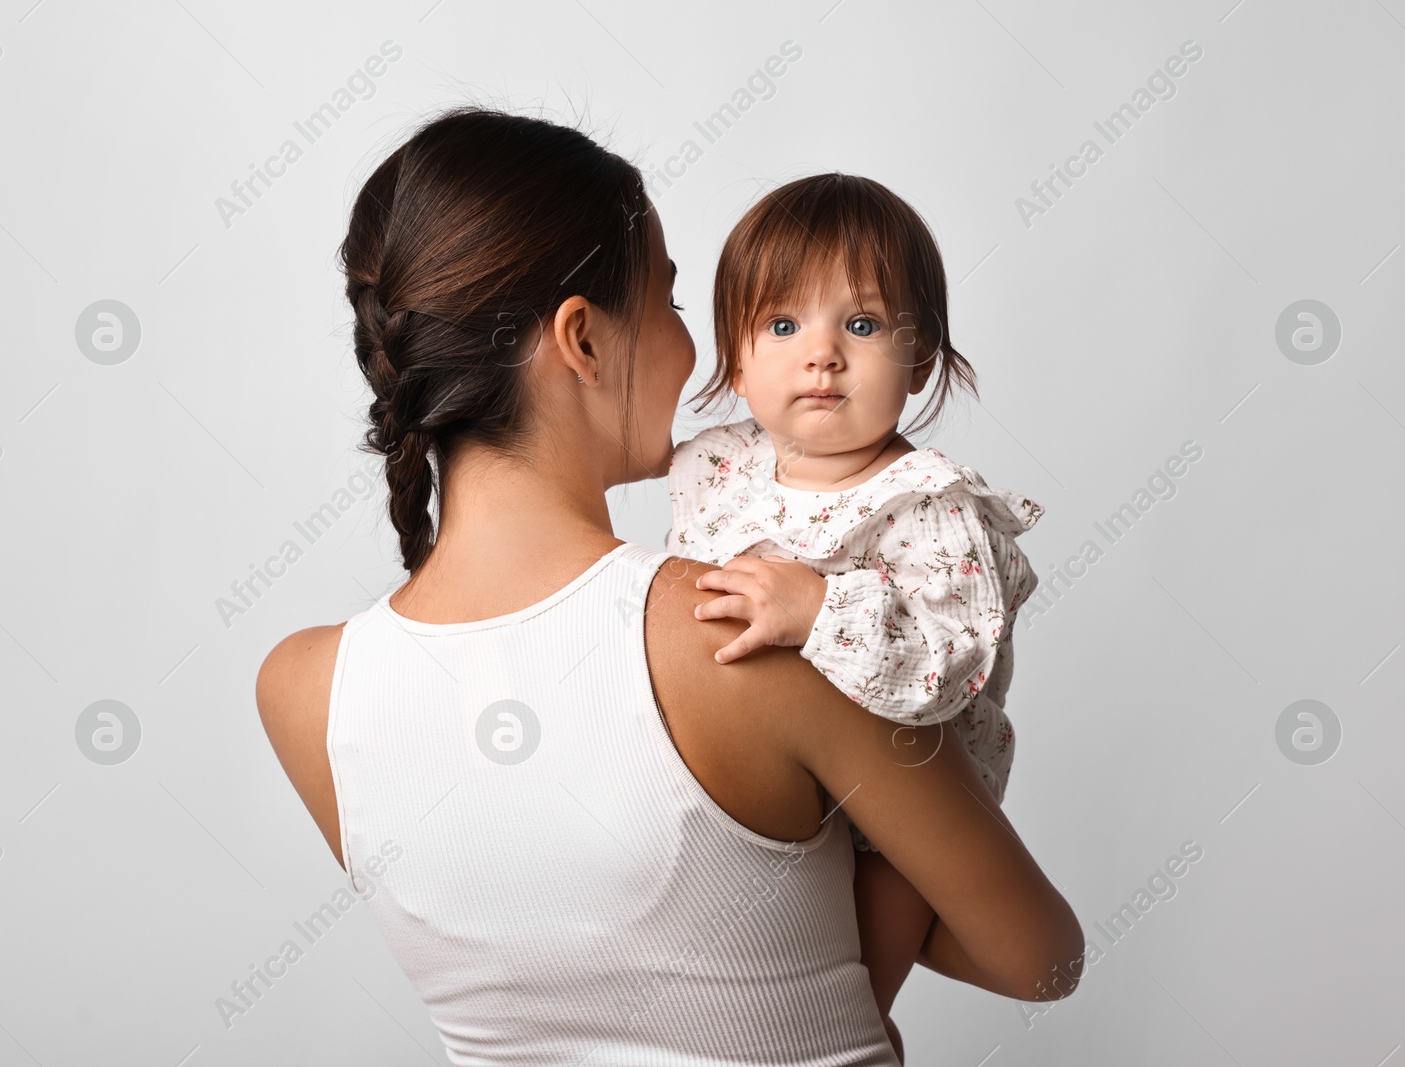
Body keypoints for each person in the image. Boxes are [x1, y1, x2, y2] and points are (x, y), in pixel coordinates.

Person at [255, 106, 1082, 1065]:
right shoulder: (751, 628)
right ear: (586, 342)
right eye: (675, 306)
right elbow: (1043, 960)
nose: (699, 355)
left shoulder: (305, 690)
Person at [667, 173, 1046, 1037]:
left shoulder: (929, 502)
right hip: (762, 790)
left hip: (897, 817)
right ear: (734, 346)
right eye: (783, 324)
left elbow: (952, 667)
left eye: (863, 325)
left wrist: (820, 608)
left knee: (835, 1024)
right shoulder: (716, 466)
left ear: (919, 356)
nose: (822, 353)